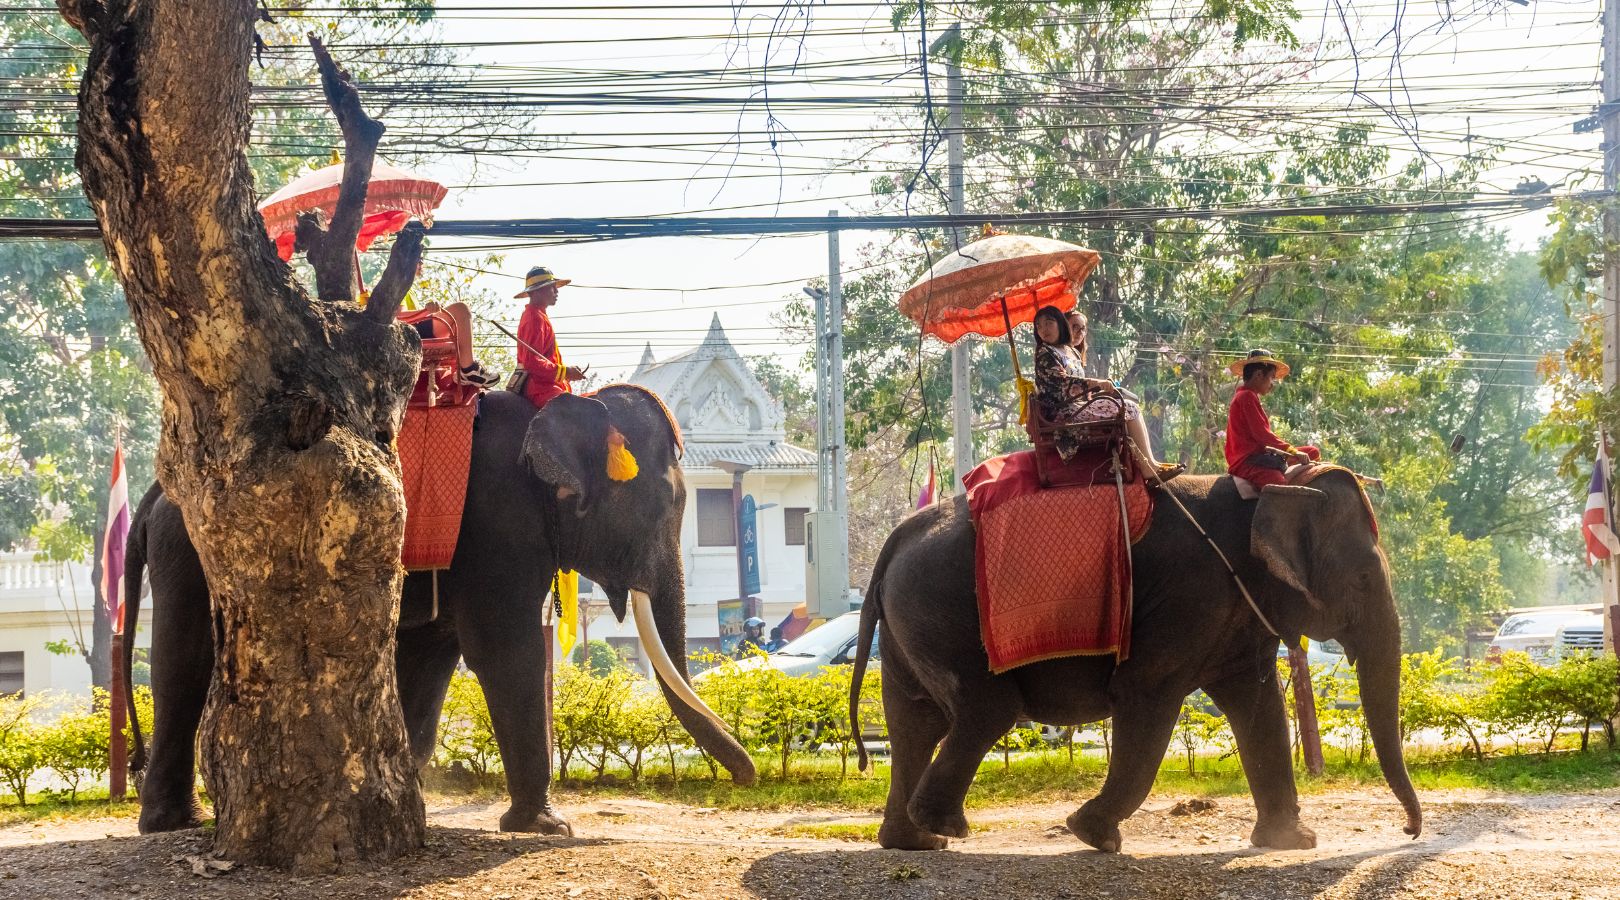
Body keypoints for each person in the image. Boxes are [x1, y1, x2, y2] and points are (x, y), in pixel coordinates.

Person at [1032, 305, 1182, 479]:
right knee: (1129, 408)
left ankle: (1143, 463)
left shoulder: (1071, 351)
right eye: (1039, 326)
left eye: (1049, 323)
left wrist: (1098, 393)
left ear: (1059, 323)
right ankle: (1148, 467)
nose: (1043, 330)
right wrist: (1097, 383)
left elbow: (1079, 388)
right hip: (1062, 412)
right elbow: (1062, 382)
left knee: (1123, 404)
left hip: (1077, 407)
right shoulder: (1045, 352)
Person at [1224, 349, 1320, 492]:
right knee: (1280, 488)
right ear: (1258, 375)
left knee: (1312, 452)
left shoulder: (1250, 396)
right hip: (1247, 462)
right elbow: (1262, 434)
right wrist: (1292, 451)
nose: (1272, 384)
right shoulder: (1246, 397)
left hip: (1262, 457)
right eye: (1271, 378)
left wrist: (1292, 452)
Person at [514, 265, 589, 409]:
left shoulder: (538, 315)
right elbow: (532, 362)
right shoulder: (534, 317)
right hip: (539, 388)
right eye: (551, 287)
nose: (556, 291)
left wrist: (566, 373)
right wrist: (566, 372)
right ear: (536, 292)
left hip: (545, 385)